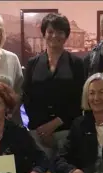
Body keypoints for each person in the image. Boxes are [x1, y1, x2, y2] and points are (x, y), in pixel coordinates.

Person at [22, 13, 85, 160]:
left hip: (67, 131)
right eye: (50, 31)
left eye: (60, 32)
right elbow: (27, 98)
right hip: (38, 132)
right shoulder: (33, 63)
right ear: (44, 34)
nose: (54, 35)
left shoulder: (76, 64)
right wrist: (41, 129)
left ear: (66, 35)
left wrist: (53, 124)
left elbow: (79, 99)